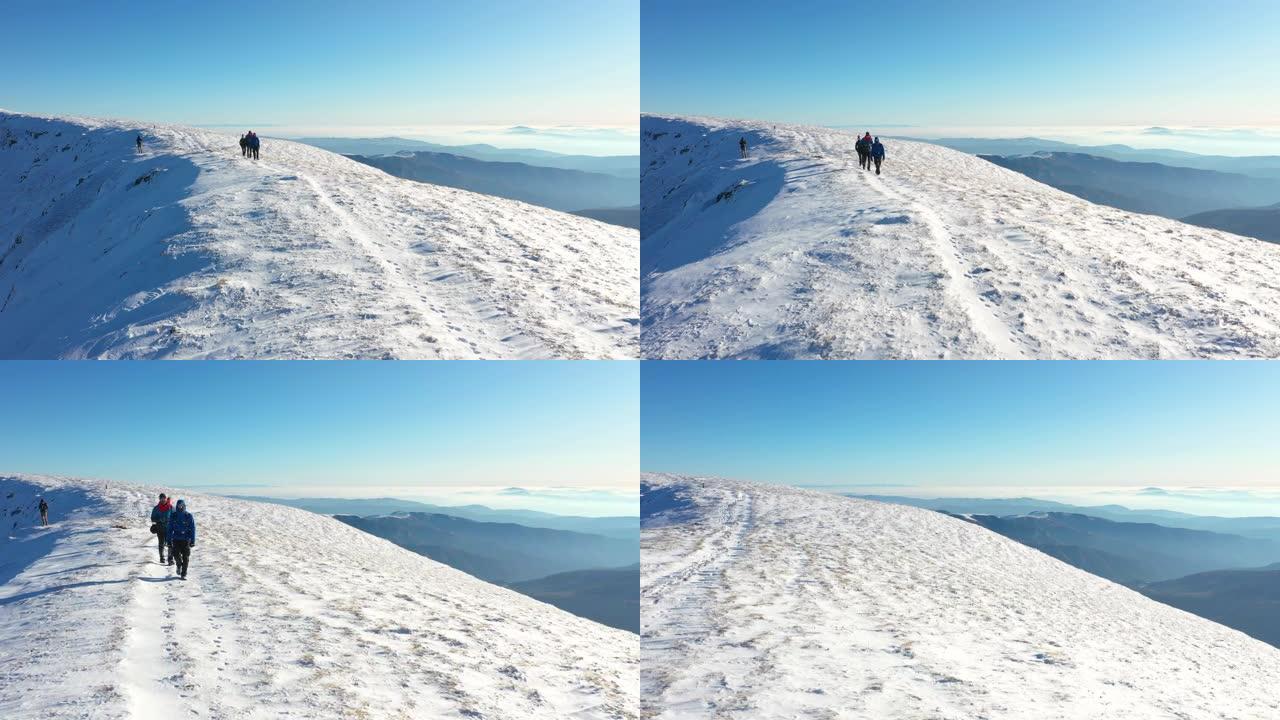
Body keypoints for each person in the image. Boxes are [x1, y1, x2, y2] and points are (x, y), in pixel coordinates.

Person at [167, 499, 196, 580]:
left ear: (184, 506)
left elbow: (192, 529)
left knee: (186, 557)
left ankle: (183, 573)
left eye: (181, 505)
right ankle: (179, 565)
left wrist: (193, 541)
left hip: (186, 540)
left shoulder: (188, 516)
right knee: (176, 554)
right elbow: (169, 529)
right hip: (176, 539)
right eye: (179, 505)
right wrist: (169, 541)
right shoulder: (173, 515)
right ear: (176, 506)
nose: (180, 507)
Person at [150, 493, 174, 564]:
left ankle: (170, 559)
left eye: (164, 498)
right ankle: (162, 558)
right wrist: (155, 524)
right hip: (160, 528)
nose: (163, 500)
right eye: (161, 498)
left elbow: (174, 517)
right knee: (161, 544)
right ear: (159, 499)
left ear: (166, 499)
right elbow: (153, 518)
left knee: (170, 544)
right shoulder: (156, 508)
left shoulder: (171, 508)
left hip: (169, 529)